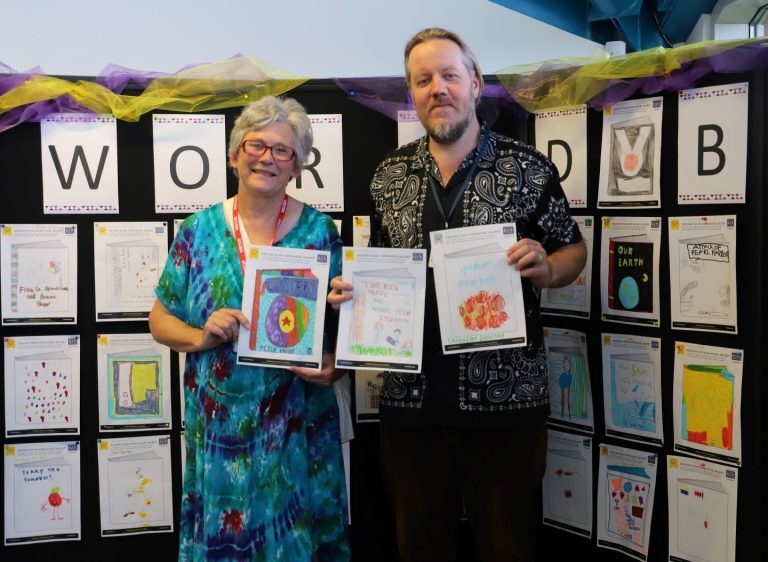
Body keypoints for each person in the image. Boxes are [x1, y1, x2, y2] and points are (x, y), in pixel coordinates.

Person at [329, 28, 587, 562]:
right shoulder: (388, 177)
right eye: (423, 80)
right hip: (412, 406)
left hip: (507, 406)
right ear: (411, 93)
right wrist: (356, 297)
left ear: (474, 82)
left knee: (507, 548)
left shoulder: (527, 167)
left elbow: (573, 252)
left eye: (449, 75)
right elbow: (382, 266)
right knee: (420, 548)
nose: (437, 89)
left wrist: (545, 266)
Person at [149, 96, 350, 562]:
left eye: (283, 151)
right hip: (221, 433)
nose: (267, 158)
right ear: (235, 152)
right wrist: (201, 336)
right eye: (256, 145)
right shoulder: (198, 230)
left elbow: (350, 326)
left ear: (298, 165)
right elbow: (159, 320)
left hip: (297, 423)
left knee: (296, 539)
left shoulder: (322, 233)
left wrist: (336, 367)